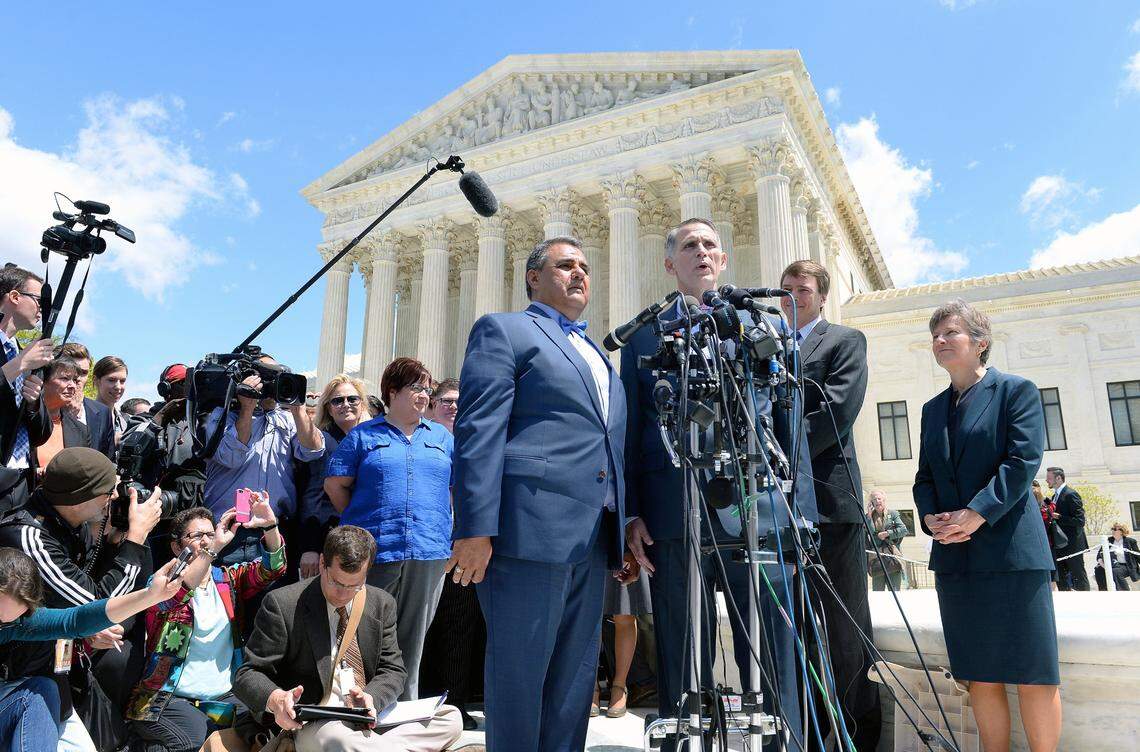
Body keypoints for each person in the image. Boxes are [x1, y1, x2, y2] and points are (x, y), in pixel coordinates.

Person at [622, 219, 814, 751]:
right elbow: (632, 431)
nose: (701, 253)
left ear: (723, 261)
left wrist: (799, 513)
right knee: (683, 651)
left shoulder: (764, 325)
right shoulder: (643, 334)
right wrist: (631, 514)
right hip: (672, 516)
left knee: (775, 648)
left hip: (758, 512)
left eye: (709, 246)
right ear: (670, 265)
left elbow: (787, 424)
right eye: (688, 246)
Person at [451, 236, 630, 751]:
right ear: (533, 277)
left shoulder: (596, 352)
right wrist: (476, 528)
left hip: (591, 537)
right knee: (519, 677)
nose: (579, 274)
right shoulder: (504, 330)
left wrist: (623, 522)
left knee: (575, 684)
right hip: (526, 533)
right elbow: (479, 432)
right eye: (565, 265)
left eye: (585, 267)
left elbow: (608, 445)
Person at [914, 298, 1061, 752]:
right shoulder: (932, 409)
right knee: (979, 674)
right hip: (956, 561)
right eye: (935, 334)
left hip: (1012, 555)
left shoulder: (1017, 391)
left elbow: (1022, 462)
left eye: (950, 332)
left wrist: (976, 513)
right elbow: (924, 478)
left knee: (1033, 672)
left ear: (980, 343)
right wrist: (930, 517)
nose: (940, 341)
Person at [233, 525, 463, 752]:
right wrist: (277, 699)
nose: (343, 594)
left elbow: (393, 670)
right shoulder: (284, 604)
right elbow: (247, 674)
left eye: (354, 585)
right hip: (315, 721)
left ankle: (369, 747)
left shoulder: (380, 604)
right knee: (337, 738)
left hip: (366, 717)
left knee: (450, 718)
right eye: (336, 582)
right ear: (323, 564)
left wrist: (371, 698)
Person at [0, 446, 163, 752]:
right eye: (108, 491)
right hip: (19, 686)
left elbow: (84, 597)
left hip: (51, 676)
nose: (114, 497)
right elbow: (93, 606)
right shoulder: (30, 537)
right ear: (82, 498)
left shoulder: (70, 527)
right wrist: (136, 539)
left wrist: (115, 542)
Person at [780, 258, 880, 750]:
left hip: (830, 503)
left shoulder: (844, 341)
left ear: (821, 296)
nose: (793, 296)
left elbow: (838, 408)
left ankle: (855, 734)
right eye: (785, 289)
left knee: (844, 627)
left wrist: (774, 448)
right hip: (780, 508)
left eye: (802, 288)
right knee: (794, 625)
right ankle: (808, 732)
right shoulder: (771, 348)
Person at [325, 359, 452, 700]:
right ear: (392, 392)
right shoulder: (363, 436)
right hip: (376, 552)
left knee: (413, 639)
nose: (425, 396)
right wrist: (362, 524)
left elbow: (453, 490)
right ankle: (358, 706)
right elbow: (336, 486)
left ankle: (402, 712)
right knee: (364, 632)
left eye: (428, 389)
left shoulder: (442, 437)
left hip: (428, 551)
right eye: (416, 388)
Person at [127, 501, 286, 751]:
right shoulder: (161, 584)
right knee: (194, 743)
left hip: (225, 699)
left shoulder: (228, 580)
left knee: (262, 737)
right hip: (167, 699)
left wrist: (270, 525)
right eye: (197, 535)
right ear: (176, 546)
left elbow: (272, 569)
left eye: (210, 534)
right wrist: (213, 549)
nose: (206, 540)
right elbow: (180, 592)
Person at [0, 548, 186, 752]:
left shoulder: (13, 624)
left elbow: (75, 620)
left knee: (45, 689)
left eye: (5, 622)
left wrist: (150, 596)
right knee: (33, 697)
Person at [203, 351, 323, 567]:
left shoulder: (286, 419)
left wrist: (298, 410)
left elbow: (313, 450)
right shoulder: (222, 415)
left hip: (274, 529)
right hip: (229, 530)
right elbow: (231, 456)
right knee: (225, 597)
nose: (272, 386)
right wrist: (247, 408)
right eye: (266, 378)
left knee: (269, 598)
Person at [418, 378, 484, 730]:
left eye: (460, 401)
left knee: (460, 627)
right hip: (424, 549)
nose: (453, 406)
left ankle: (455, 704)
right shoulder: (421, 439)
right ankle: (418, 701)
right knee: (422, 629)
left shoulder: (476, 445)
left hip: (465, 549)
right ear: (431, 406)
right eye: (445, 400)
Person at [297, 375, 369, 579]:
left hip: (363, 538)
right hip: (326, 537)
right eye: (337, 400)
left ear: (361, 404)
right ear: (329, 408)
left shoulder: (372, 440)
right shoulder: (324, 442)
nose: (345, 404)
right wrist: (309, 547)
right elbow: (312, 494)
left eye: (352, 399)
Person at [0, 264, 53, 508]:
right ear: (14, 296)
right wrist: (20, 364)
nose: (43, 308)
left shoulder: (21, 354)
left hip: (20, 481)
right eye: (38, 299)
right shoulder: (22, 359)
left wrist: (33, 405)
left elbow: (41, 433)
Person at [54, 343, 115, 460]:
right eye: (70, 371)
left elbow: (108, 461)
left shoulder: (102, 412)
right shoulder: (41, 407)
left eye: (83, 373)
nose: (77, 378)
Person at [35, 357, 92, 471]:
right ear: (43, 381)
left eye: (75, 380)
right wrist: (36, 472)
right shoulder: (21, 422)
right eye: (65, 378)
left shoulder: (82, 431)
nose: (73, 386)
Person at [1047, 467, 1089, 591]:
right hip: (1059, 545)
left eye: (1049, 478)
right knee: (1061, 578)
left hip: (1073, 544)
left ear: (1058, 478)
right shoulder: (1054, 496)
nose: (1046, 480)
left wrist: (1059, 517)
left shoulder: (1071, 494)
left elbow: (1080, 521)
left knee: (1079, 576)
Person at [866, 489, 907, 591]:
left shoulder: (892, 514)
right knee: (878, 591)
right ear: (871, 503)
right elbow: (869, 532)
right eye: (874, 499)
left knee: (894, 591)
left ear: (884, 500)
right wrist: (869, 516)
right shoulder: (868, 517)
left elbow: (903, 530)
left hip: (892, 557)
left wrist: (887, 534)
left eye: (879, 498)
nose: (877, 501)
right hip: (877, 558)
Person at [92, 355, 129, 441]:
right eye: (111, 380)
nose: (118, 387)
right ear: (96, 381)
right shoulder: (83, 416)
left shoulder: (126, 421)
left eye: (122, 381)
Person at [1094, 522, 1139, 591]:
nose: (1113, 531)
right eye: (1112, 529)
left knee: (1115, 571)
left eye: (1115, 529)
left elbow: (1137, 555)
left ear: (1121, 531)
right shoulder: (1108, 541)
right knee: (1098, 569)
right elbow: (1099, 554)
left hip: (1125, 566)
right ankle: (1104, 591)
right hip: (1110, 564)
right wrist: (1102, 563)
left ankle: (1124, 591)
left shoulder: (1131, 541)